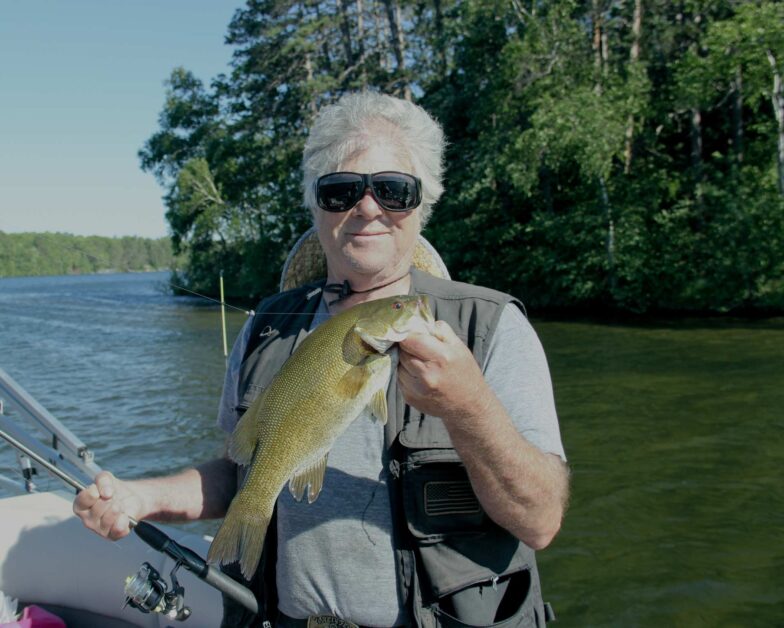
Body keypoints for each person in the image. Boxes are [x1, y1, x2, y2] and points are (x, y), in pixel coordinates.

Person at [74, 91, 569, 628]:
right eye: (340, 191)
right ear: (315, 205)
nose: (368, 207)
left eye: (394, 190)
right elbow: (240, 471)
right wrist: (140, 496)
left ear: (422, 204)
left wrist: (468, 404)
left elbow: (540, 521)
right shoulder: (267, 327)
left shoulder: (490, 327)